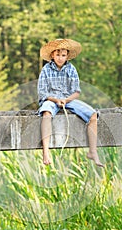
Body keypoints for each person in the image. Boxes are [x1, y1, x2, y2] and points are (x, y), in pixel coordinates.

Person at [37, 38, 104, 167]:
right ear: (52, 55)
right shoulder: (46, 70)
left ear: (67, 56)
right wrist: (56, 100)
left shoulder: (71, 69)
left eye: (63, 55)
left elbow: (76, 91)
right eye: (57, 55)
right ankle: (46, 151)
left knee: (93, 115)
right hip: (51, 100)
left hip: (68, 100)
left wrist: (66, 100)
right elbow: (43, 92)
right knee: (46, 113)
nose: (60, 58)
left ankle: (93, 151)